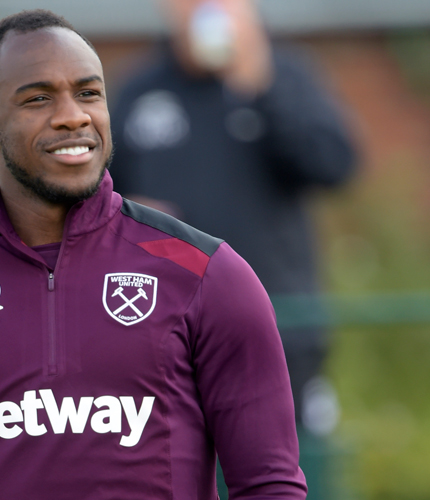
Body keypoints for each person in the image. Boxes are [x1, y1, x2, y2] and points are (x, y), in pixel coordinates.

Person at [0, 9, 306, 500]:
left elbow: (269, 485)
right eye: (38, 98)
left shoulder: (208, 275)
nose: (73, 115)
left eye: (89, 93)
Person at [109, 0, 356, 438]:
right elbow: (96, 201)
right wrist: (133, 215)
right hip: (168, 336)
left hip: (279, 331)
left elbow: (334, 166)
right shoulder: (137, 90)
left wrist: (261, 89)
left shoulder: (286, 75)